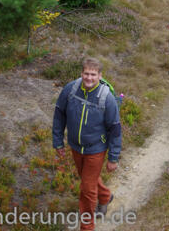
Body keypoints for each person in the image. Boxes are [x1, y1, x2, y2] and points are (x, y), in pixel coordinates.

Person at [52, 57, 121, 231]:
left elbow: (115, 129)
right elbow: (59, 115)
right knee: (87, 179)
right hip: (75, 146)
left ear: (100, 75)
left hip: (96, 149)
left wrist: (113, 157)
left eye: (93, 74)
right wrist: (58, 142)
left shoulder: (107, 98)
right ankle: (105, 196)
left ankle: (87, 227)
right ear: (81, 73)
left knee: (87, 189)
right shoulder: (71, 90)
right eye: (86, 74)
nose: (89, 78)